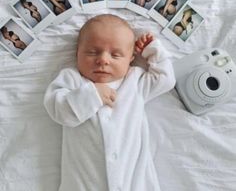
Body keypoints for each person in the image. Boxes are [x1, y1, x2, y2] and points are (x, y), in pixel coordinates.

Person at [44, 14, 176, 191]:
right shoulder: (72, 79)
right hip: (83, 184)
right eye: (92, 52)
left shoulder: (134, 81)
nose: (103, 60)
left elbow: (165, 80)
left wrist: (153, 50)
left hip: (134, 182)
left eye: (115, 54)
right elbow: (58, 110)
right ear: (78, 52)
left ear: (130, 58)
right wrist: (92, 95)